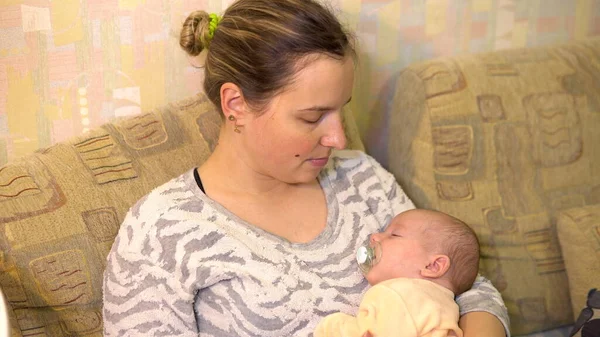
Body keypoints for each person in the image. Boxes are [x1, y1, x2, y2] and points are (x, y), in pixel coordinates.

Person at [102, 0, 510, 336]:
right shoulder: (161, 231)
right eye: (313, 117)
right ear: (236, 105)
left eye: (340, 111)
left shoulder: (361, 178)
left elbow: (466, 287)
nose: (339, 139)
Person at [314, 209, 480, 337]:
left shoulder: (397, 293)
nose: (374, 236)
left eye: (394, 234)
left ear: (433, 266)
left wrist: (332, 326)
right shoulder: (446, 306)